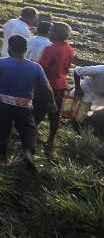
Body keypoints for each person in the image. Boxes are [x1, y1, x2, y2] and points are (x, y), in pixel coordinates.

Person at [0, 35, 55, 167]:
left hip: (3, 104)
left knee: (0, 129)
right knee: (29, 130)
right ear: (25, 49)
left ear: (9, 49)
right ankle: (28, 151)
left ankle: (3, 157)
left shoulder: (0, 63)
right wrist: (52, 102)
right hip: (24, 106)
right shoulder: (35, 67)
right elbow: (47, 88)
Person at [37, 22, 75, 158]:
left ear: (56, 33)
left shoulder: (50, 49)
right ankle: (51, 140)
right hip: (61, 84)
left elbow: (41, 69)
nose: (49, 32)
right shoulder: (70, 49)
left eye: (52, 30)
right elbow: (67, 67)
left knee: (38, 111)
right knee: (54, 114)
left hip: (47, 85)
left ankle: (28, 137)